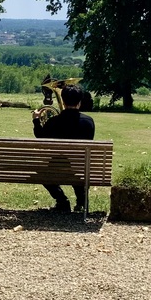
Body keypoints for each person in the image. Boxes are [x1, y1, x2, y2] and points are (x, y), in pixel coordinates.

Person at [32, 84, 95, 212]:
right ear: (80, 101)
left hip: (56, 167)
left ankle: (62, 201)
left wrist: (36, 120)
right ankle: (82, 202)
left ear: (63, 101)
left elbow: (40, 137)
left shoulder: (53, 122)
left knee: (42, 173)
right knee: (77, 167)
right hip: (81, 168)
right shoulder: (89, 122)